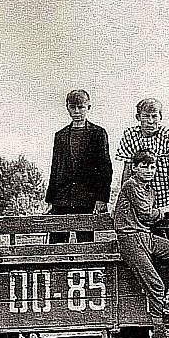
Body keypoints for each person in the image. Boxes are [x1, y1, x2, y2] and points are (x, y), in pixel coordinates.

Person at [114, 149, 169, 338]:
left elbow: (148, 218)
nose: (149, 170)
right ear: (134, 168)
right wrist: (163, 210)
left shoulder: (149, 190)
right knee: (156, 285)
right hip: (131, 239)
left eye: (153, 167)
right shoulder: (130, 185)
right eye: (144, 166)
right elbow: (146, 215)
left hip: (146, 236)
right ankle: (159, 332)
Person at [114, 98, 169, 239]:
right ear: (138, 117)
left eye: (154, 116)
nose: (150, 121)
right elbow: (127, 170)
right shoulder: (130, 135)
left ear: (160, 117)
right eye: (146, 116)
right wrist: (121, 204)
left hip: (165, 194)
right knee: (149, 236)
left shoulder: (165, 134)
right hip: (141, 197)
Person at [44, 89, 113, 243]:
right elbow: (55, 169)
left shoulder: (98, 133)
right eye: (72, 107)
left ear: (88, 107)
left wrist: (102, 199)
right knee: (57, 243)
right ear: (67, 108)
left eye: (81, 107)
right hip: (62, 198)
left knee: (85, 242)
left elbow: (105, 169)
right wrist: (50, 200)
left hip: (86, 199)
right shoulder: (60, 135)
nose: (76, 111)